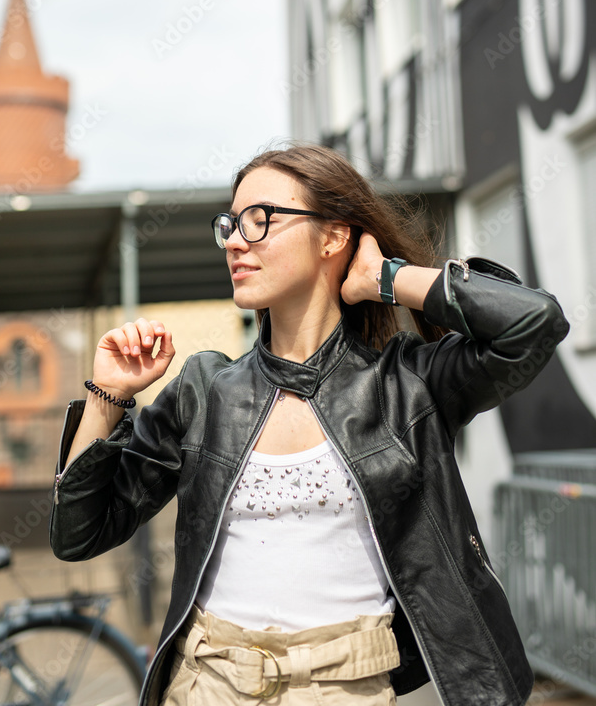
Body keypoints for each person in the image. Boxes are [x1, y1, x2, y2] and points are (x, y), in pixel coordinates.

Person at [50, 143, 569, 706]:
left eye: (259, 219)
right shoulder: (204, 391)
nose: (234, 240)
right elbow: (78, 534)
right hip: (206, 683)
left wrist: (384, 277)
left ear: (333, 237)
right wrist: (108, 396)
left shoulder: (407, 384)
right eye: (230, 223)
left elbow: (533, 324)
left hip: (346, 687)